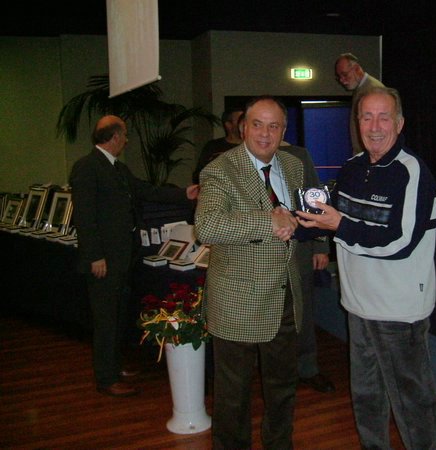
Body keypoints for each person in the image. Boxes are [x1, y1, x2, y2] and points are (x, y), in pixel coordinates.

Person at [296, 87, 436, 449]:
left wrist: (339, 226)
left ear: (399, 123)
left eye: (383, 117)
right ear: (357, 123)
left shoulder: (412, 172)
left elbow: (400, 242)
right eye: (366, 117)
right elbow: (329, 219)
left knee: (413, 404)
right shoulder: (352, 167)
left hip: (398, 310)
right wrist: (292, 223)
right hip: (357, 304)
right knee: (367, 398)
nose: (375, 126)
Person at [194, 96, 304, 449]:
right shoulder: (220, 169)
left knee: (283, 388)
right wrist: (268, 222)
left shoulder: (293, 166)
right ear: (243, 128)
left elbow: (300, 218)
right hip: (238, 300)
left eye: (274, 126)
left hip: (285, 296)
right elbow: (208, 226)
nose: (265, 133)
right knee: (233, 397)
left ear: (284, 131)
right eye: (257, 124)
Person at [70, 115, 198, 398]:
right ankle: (106, 378)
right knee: (105, 320)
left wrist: (184, 195)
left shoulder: (117, 168)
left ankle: (115, 367)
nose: (126, 140)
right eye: (124, 135)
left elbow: (145, 191)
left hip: (122, 257)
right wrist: (95, 256)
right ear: (115, 136)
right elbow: (84, 217)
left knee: (118, 316)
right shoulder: (87, 167)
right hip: (104, 260)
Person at [279, 142, 335, 393]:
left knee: (303, 310)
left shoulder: (298, 156)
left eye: (275, 126)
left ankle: (307, 367)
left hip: (299, 247)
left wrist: (321, 245)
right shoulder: (238, 159)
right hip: (259, 251)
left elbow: (316, 200)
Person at [335, 52, 385, 155]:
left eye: (345, 74)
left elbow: (379, 129)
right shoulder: (363, 89)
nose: (342, 80)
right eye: (339, 77)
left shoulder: (372, 90)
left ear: (357, 69)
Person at [192, 107, 244, 182]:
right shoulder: (213, 146)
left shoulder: (251, 147)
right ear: (229, 125)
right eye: (240, 120)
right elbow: (199, 175)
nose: (244, 124)